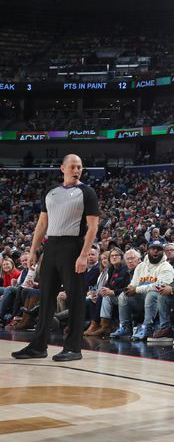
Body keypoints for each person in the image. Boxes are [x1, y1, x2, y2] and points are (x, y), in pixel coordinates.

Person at [12, 154, 99, 362]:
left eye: (79, 167)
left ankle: (73, 348)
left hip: (73, 246)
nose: (76, 170)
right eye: (72, 166)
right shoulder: (51, 192)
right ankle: (38, 346)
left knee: (75, 298)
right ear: (62, 168)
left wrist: (84, 254)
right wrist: (33, 250)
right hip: (51, 246)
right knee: (46, 297)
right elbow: (42, 224)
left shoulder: (87, 192)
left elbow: (93, 226)